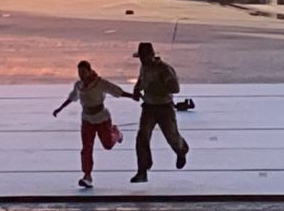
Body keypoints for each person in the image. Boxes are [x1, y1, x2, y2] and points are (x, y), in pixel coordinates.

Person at [52, 60, 137, 189]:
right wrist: (59, 108)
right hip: (87, 120)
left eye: (84, 72)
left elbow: (116, 91)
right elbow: (72, 97)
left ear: (90, 71)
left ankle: (117, 133)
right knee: (87, 148)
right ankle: (87, 176)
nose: (81, 75)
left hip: (102, 118)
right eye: (79, 72)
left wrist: (131, 96)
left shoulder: (100, 83)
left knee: (108, 144)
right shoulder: (79, 85)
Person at [130, 42, 189, 183]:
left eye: (145, 57)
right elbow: (142, 78)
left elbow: (175, 88)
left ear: (152, 55)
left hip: (164, 108)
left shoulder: (164, 69)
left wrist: (157, 87)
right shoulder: (144, 66)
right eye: (141, 58)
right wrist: (137, 88)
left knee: (172, 137)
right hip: (149, 107)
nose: (143, 60)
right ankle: (142, 170)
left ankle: (182, 150)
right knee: (142, 137)